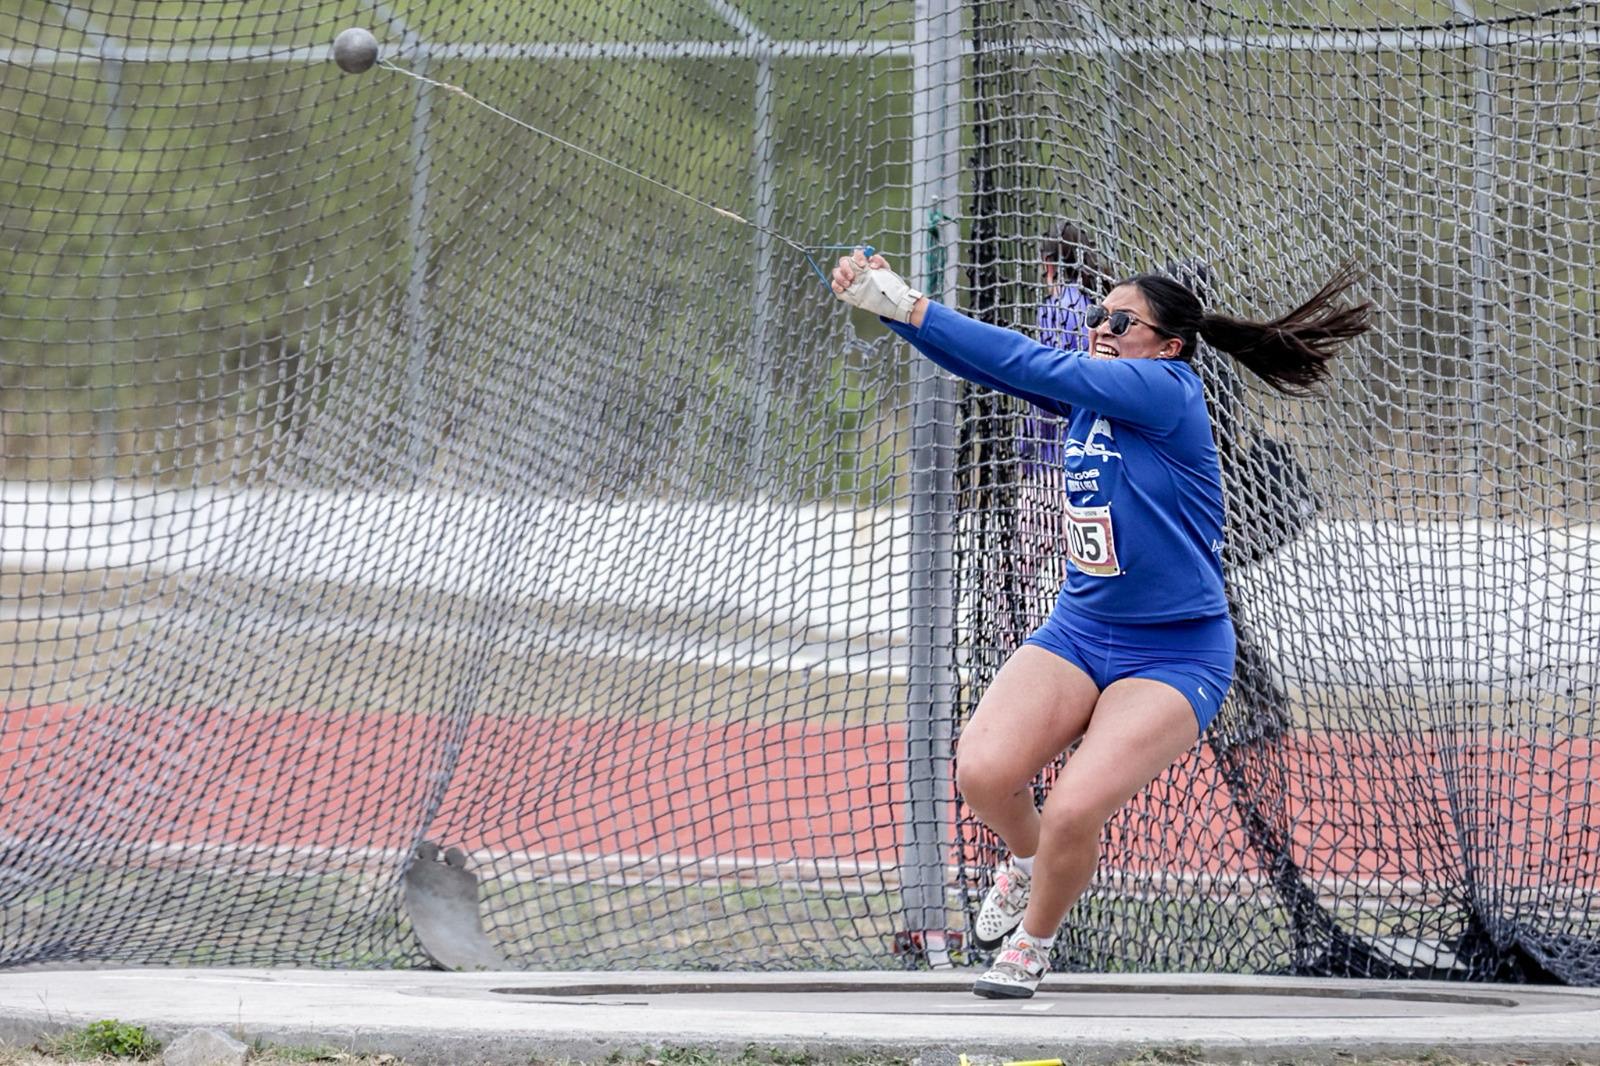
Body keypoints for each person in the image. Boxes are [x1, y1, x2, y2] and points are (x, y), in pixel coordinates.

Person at [831, 248, 1371, 998]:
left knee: (1074, 808)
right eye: (1097, 317)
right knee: (983, 774)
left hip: (1176, 653)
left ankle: (1032, 944)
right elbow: (995, 368)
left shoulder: (1166, 390)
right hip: (1080, 631)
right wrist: (891, 310)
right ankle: (1028, 864)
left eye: (1121, 321)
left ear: (1168, 345)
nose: (1100, 328)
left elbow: (1028, 360)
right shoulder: (1094, 398)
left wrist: (912, 304)